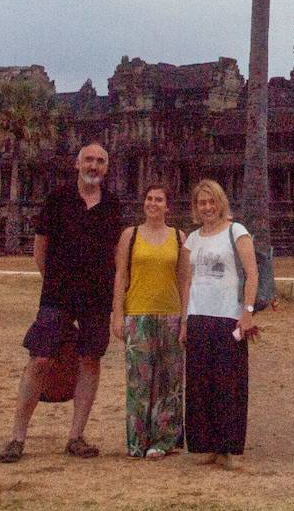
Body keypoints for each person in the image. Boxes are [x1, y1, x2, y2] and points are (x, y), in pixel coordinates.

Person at [0, 143, 121, 463]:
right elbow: (40, 250)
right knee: (39, 360)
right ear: (77, 163)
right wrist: (54, 282)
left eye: (100, 161)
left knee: (89, 361)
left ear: (106, 168)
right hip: (57, 296)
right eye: (89, 160)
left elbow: (117, 256)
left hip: (96, 298)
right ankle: (17, 436)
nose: (94, 166)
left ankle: (76, 436)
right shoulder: (57, 200)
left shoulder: (113, 206)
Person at [180, 178, 258, 469]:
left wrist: (247, 311)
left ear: (220, 202)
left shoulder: (236, 232)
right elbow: (187, 282)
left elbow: (252, 274)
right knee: (200, 384)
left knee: (230, 383)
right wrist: (185, 320)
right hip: (199, 316)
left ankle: (230, 448)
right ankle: (205, 444)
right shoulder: (193, 239)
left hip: (229, 317)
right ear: (195, 207)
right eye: (202, 203)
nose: (207, 207)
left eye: (212, 201)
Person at [112, 183, 188, 459]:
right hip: (137, 313)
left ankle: (164, 440)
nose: (152, 203)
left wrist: (185, 320)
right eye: (148, 198)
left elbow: (184, 281)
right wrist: (118, 315)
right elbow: (121, 276)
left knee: (170, 381)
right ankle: (137, 441)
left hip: (170, 313)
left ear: (168, 206)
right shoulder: (129, 236)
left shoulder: (179, 238)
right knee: (138, 382)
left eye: (159, 199)